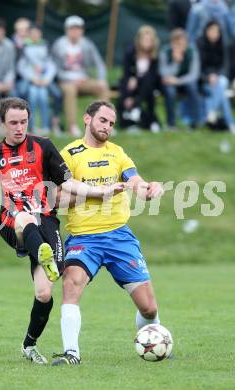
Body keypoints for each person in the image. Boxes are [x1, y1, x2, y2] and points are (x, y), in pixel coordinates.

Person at [0, 97, 123, 364]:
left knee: (44, 294)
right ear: (2, 123)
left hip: (46, 222)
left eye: (24, 122)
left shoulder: (43, 146)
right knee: (23, 217)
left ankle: (29, 344)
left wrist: (101, 192)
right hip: (10, 220)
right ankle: (39, 252)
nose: (19, 128)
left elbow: (69, 184)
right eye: (13, 123)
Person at [51, 100, 165, 365]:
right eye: (103, 120)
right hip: (83, 238)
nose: (107, 127)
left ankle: (154, 341)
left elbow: (134, 180)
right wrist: (95, 195)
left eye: (112, 123)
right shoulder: (69, 154)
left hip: (118, 236)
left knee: (149, 307)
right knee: (71, 283)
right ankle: (71, 354)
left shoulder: (117, 153)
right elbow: (53, 198)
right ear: (87, 119)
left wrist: (148, 189)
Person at [52, 15, 110, 137]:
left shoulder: (87, 44)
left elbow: (100, 64)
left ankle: (102, 125)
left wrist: (101, 79)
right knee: (70, 90)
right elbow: (54, 68)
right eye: (72, 28)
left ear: (82, 30)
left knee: (102, 88)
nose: (75, 31)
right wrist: (71, 79)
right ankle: (72, 126)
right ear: (67, 30)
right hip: (65, 81)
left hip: (84, 79)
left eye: (78, 28)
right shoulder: (59, 45)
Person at [17, 23, 59, 136]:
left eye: (37, 33)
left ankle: (46, 126)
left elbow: (51, 65)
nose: (35, 35)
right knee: (33, 95)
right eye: (32, 33)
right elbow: (21, 67)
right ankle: (32, 126)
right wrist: (32, 78)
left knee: (44, 96)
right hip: (31, 81)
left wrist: (47, 79)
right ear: (29, 34)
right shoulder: (24, 46)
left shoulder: (46, 45)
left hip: (44, 81)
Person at [117, 25, 161, 132]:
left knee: (148, 84)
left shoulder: (155, 55)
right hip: (133, 83)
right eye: (144, 39)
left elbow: (153, 75)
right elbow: (126, 72)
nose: (146, 42)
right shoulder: (130, 52)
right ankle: (126, 121)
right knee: (125, 86)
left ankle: (136, 108)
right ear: (139, 40)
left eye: (149, 40)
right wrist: (133, 78)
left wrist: (137, 79)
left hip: (148, 85)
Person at [159, 28, 202, 129]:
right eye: (176, 43)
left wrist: (177, 81)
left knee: (193, 88)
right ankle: (171, 124)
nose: (179, 46)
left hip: (184, 81)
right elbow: (163, 73)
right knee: (170, 92)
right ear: (172, 43)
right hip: (170, 83)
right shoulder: (165, 52)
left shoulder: (192, 52)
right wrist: (175, 62)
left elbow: (193, 75)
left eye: (182, 42)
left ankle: (194, 123)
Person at [197, 20, 235, 133]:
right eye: (212, 31)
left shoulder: (222, 44)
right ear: (206, 31)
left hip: (219, 78)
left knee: (221, 84)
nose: (214, 34)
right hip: (204, 80)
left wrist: (217, 76)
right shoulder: (200, 44)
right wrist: (209, 76)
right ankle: (230, 123)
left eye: (216, 31)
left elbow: (225, 65)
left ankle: (210, 112)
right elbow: (198, 67)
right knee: (221, 93)